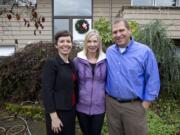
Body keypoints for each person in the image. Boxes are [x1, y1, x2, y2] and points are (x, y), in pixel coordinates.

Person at [105, 18, 160, 135]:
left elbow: (153, 79)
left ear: (129, 31)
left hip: (134, 106)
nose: (118, 34)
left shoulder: (144, 51)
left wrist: (146, 103)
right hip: (112, 105)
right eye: (115, 32)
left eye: (121, 30)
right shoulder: (109, 52)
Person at [42, 30, 78, 135]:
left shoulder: (71, 64)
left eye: (68, 41)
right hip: (57, 113)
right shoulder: (52, 64)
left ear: (71, 44)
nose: (65, 44)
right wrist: (54, 117)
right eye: (62, 41)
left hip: (71, 111)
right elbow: (47, 91)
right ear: (56, 45)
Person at [73, 30, 106, 135]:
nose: (92, 44)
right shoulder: (77, 61)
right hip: (81, 106)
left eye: (95, 41)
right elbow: (71, 83)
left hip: (99, 107)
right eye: (89, 41)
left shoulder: (106, 61)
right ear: (85, 43)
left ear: (99, 43)